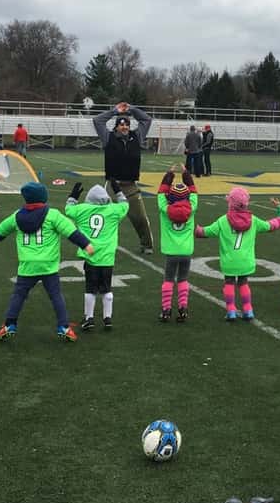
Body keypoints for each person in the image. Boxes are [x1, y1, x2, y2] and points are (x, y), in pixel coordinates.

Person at [0, 181, 93, 343]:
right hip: (48, 266)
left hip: (27, 265)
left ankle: (9, 324)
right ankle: (63, 327)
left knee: (18, 296)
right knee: (56, 296)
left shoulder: (17, 216)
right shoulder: (53, 215)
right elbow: (71, 232)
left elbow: (0, 230)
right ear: (44, 197)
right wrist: (85, 244)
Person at [195, 186, 280, 320]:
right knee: (243, 283)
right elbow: (270, 226)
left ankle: (231, 310)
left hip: (229, 262)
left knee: (229, 283)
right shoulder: (253, 220)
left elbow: (206, 232)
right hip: (246, 261)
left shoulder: (223, 220)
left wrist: (196, 230)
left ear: (231, 203)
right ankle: (248, 310)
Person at [65, 181, 129, 331]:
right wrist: (118, 191)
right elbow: (125, 204)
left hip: (90, 256)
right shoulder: (113, 210)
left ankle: (89, 318)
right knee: (107, 288)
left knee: (90, 289)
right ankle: (107, 318)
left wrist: (73, 197)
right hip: (107, 257)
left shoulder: (82, 210)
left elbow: (68, 209)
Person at [93, 101, 155, 253]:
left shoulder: (137, 136)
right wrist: (115, 111)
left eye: (127, 124)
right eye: (121, 125)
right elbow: (97, 121)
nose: (125, 127)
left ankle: (146, 245)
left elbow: (146, 120)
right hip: (112, 186)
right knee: (103, 217)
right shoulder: (108, 137)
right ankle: (98, 244)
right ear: (116, 127)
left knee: (140, 218)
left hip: (130, 186)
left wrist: (131, 109)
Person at [157, 166, 198, 323]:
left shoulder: (164, 209)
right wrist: (186, 174)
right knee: (183, 279)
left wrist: (169, 175)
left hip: (171, 252)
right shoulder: (191, 208)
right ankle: (183, 308)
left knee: (168, 279)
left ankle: (166, 309)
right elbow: (194, 192)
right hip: (186, 252)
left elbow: (161, 193)